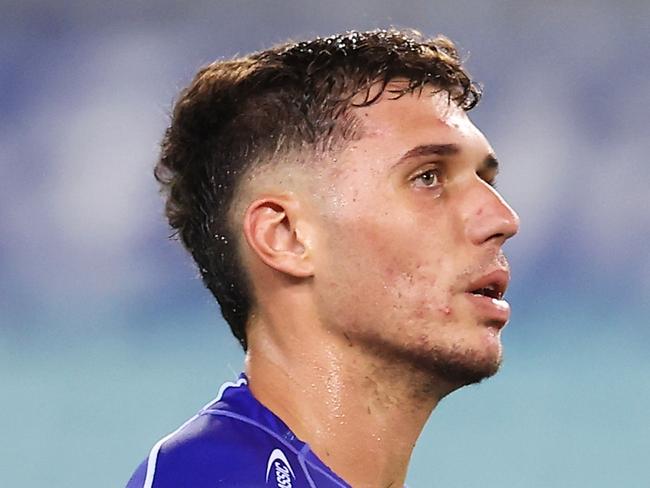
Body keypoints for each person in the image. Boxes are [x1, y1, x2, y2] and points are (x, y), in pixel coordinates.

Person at [126, 28, 519, 488]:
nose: (502, 218)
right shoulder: (212, 477)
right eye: (428, 177)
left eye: (486, 181)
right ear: (287, 236)